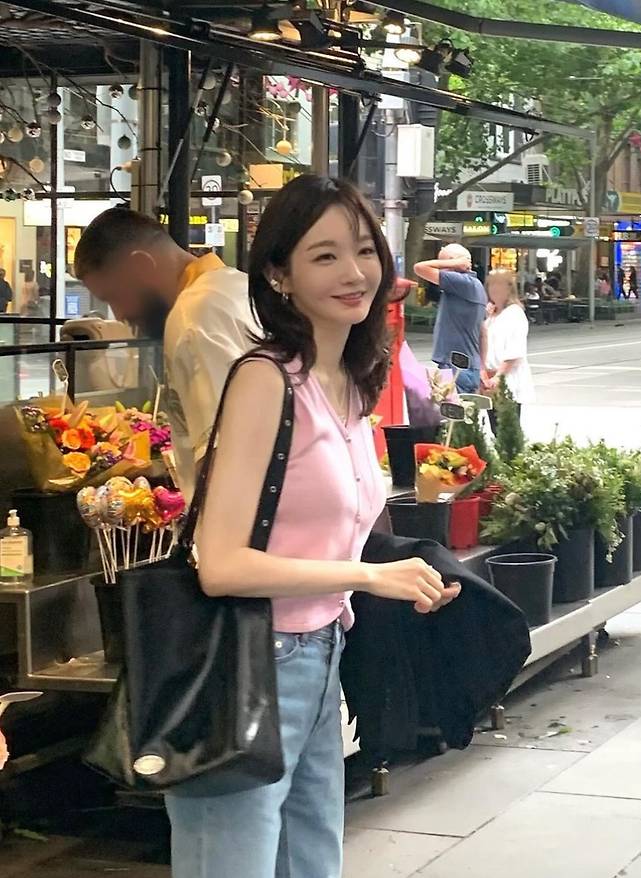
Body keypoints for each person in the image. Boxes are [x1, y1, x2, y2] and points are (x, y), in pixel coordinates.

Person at [165, 175, 462, 878]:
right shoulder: (266, 380)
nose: (353, 272)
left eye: (363, 250)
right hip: (247, 665)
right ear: (280, 274)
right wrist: (369, 576)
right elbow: (221, 564)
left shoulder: (348, 382)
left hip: (322, 653)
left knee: (312, 863)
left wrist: (398, 575)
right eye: (324, 256)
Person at [73, 207, 258, 501]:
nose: (119, 314)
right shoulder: (237, 286)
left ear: (142, 265)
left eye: (115, 297)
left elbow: (223, 454)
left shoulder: (193, 317)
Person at [413, 243, 487, 393]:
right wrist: (482, 367)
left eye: (443, 264)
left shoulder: (462, 282)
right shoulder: (475, 286)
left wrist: (455, 263)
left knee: (453, 407)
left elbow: (419, 268)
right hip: (467, 365)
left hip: (456, 367)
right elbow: (483, 332)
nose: (441, 269)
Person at [483, 270, 535, 434]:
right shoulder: (491, 315)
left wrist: (499, 376)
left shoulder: (514, 313)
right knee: (495, 427)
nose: (494, 288)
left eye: (499, 284)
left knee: (507, 430)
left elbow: (515, 350)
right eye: (491, 284)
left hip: (506, 378)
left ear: (509, 288)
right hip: (489, 379)